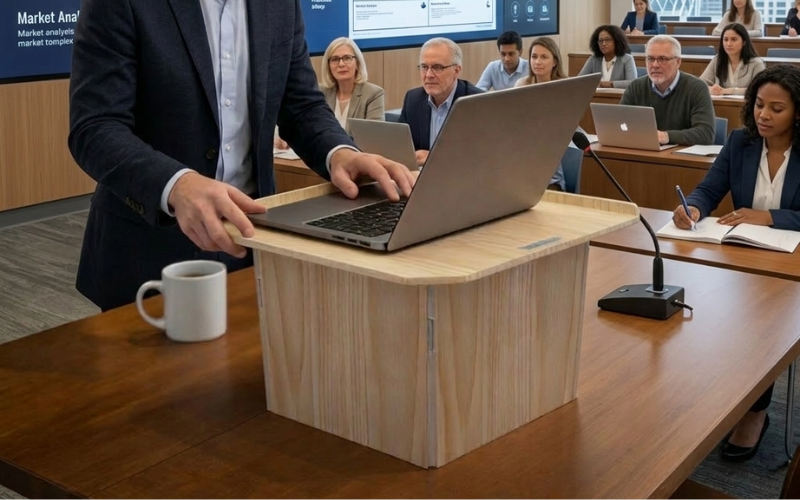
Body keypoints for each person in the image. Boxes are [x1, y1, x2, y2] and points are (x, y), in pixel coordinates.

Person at [68, 0, 416, 311]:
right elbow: (95, 127)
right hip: (149, 251)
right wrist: (176, 184)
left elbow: (302, 106)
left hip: (252, 240)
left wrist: (339, 152)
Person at [673, 64, 800, 461]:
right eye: (759, 105)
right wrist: (693, 208)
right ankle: (725, 398)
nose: (764, 115)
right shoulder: (740, 142)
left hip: (794, 263)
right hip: (745, 256)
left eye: (776, 109)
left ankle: (755, 411)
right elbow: (710, 188)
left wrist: (770, 216)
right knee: (718, 314)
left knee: (761, 324)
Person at [275, 37, 384, 148]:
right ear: (328, 66)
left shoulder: (373, 93)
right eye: (335, 59)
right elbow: (307, 127)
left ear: (357, 64)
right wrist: (289, 138)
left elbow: (375, 137)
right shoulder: (320, 92)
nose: (341, 64)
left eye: (347, 58)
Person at [398, 37, 483, 167]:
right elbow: (401, 149)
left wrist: (432, 157)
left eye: (437, 67)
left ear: (456, 71)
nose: (429, 75)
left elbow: (481, 156)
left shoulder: (477, 103)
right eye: (424, 67)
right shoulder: (413, 100)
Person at [621, 35, 715, 146]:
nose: (655, 65)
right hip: (643, 151)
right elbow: (619, 124)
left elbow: (706, 134)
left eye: (662, 59)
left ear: (678, 62)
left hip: (679, 154)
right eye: (650, 59)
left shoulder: (696, 88)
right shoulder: (635, 87)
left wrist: (666, 136)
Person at [515, 37, 570, 191]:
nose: (537, 62)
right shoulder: (522, 84)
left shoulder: (565, 87)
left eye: (544, 57)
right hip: (524, 152)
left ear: (555, 61)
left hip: (549, 155)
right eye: (534, 57)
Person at [700, 23, 765, 96]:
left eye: (734, 39)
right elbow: (700, 84)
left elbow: (760, 89)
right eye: (725, 39)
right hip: (720, 103)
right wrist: (711, 89)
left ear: (744, 42)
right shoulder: (717, 60)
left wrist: (727, 91)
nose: (729, 44)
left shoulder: (756, 63)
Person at [578, 25, 638, 89]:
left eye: (608, 40)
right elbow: (579, 80)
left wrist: (611, 84)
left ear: (616, 40)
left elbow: (633, 83)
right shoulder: (594, 59)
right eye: (600, 41)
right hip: (597, 95)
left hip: (619, 95)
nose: (603, 44)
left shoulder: (627, 59)